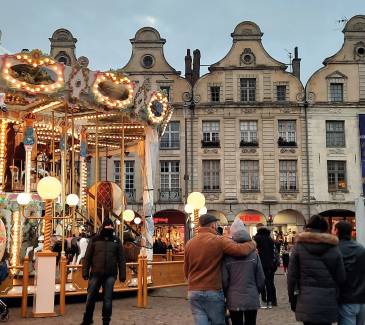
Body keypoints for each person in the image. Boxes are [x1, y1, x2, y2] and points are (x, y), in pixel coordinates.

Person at [184, 214, 256, 325]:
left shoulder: (189, 243)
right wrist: (252, 243)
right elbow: (240, 250)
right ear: (213, 225)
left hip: (193, 291)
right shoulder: (218, 240)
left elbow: (186, 270)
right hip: (212, 290)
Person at [287, 215, 346, 325]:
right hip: (328, 300)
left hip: (306, 300)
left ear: (309, 227)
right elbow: (341, 277)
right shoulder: (333, 247)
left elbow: (291, 277)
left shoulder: (299, 247)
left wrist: (292, 298)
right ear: (325, 228)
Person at [81, 219, 126, 325]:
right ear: (103, 228)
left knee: (107, 298)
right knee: (91, 297)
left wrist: (122, 274)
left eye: (111, 227)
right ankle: (87, 319)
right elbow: (87, 257)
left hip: (110, 274)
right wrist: (85, 271)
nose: (109, 229)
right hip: (96, 273)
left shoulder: (116, 241)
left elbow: (121, 259)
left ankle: (106, 321)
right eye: (107, 227)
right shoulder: (95, 239)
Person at [222, 220, 265, 325]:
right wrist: (256, 291)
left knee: (236, 323)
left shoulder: (227, 256)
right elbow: (261, 278)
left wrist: (226, 293)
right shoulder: (254, 254)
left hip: (233, 298)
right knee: (251, 322)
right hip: (251, 296)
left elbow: (224, 280)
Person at [334, 221, 365, 325]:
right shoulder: (361, 249)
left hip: (345, 299)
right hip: (361, 299)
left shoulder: (335, 250)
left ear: (337, 231)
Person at [253, 224, 276, 308]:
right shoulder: (270, 239)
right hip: (269, 264)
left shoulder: (257, 238)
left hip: (260, 263)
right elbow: (272, 252)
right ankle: (270, 302)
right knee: (269, 282)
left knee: (260, 282)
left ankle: (263, 300)